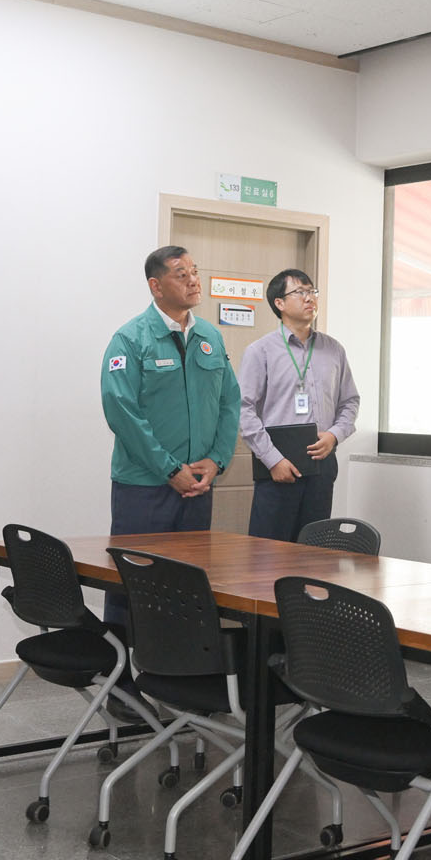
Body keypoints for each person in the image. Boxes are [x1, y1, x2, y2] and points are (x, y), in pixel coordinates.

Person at [100, 246, 241, 622]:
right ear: (156, 286)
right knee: (133, 584)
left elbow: (230, 401)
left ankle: (182, 659)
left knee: (187, 588)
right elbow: (121, 410)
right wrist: (168, 469)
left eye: (195, 271)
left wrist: (217, 460)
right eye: (182, 274)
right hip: (144, 489)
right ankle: (121, 659)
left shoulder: (210, 336)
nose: (194, 280)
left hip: (197, 488)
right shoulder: (131, 339)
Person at [239, 268, 359, 541]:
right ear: (279, 303)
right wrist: (273, 460)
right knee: (268, 552)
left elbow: (350, 401)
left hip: (321, 464)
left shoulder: (334, 349)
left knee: (313, 550)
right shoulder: (260, 351)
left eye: (312, 291)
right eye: (300, 292)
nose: (310, 298)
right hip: (277, 466)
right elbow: (244, 411)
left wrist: (334, 435)